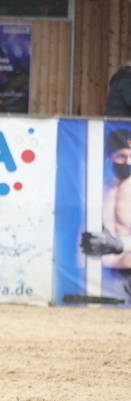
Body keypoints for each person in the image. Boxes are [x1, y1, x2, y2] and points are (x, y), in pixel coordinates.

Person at [80, 127, 131, 305]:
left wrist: (120, 244)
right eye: (122, 156)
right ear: (110, 157)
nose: (128, 161)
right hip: (103, 274)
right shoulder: (98, 188)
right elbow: (84, 232)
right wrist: (81, 267)